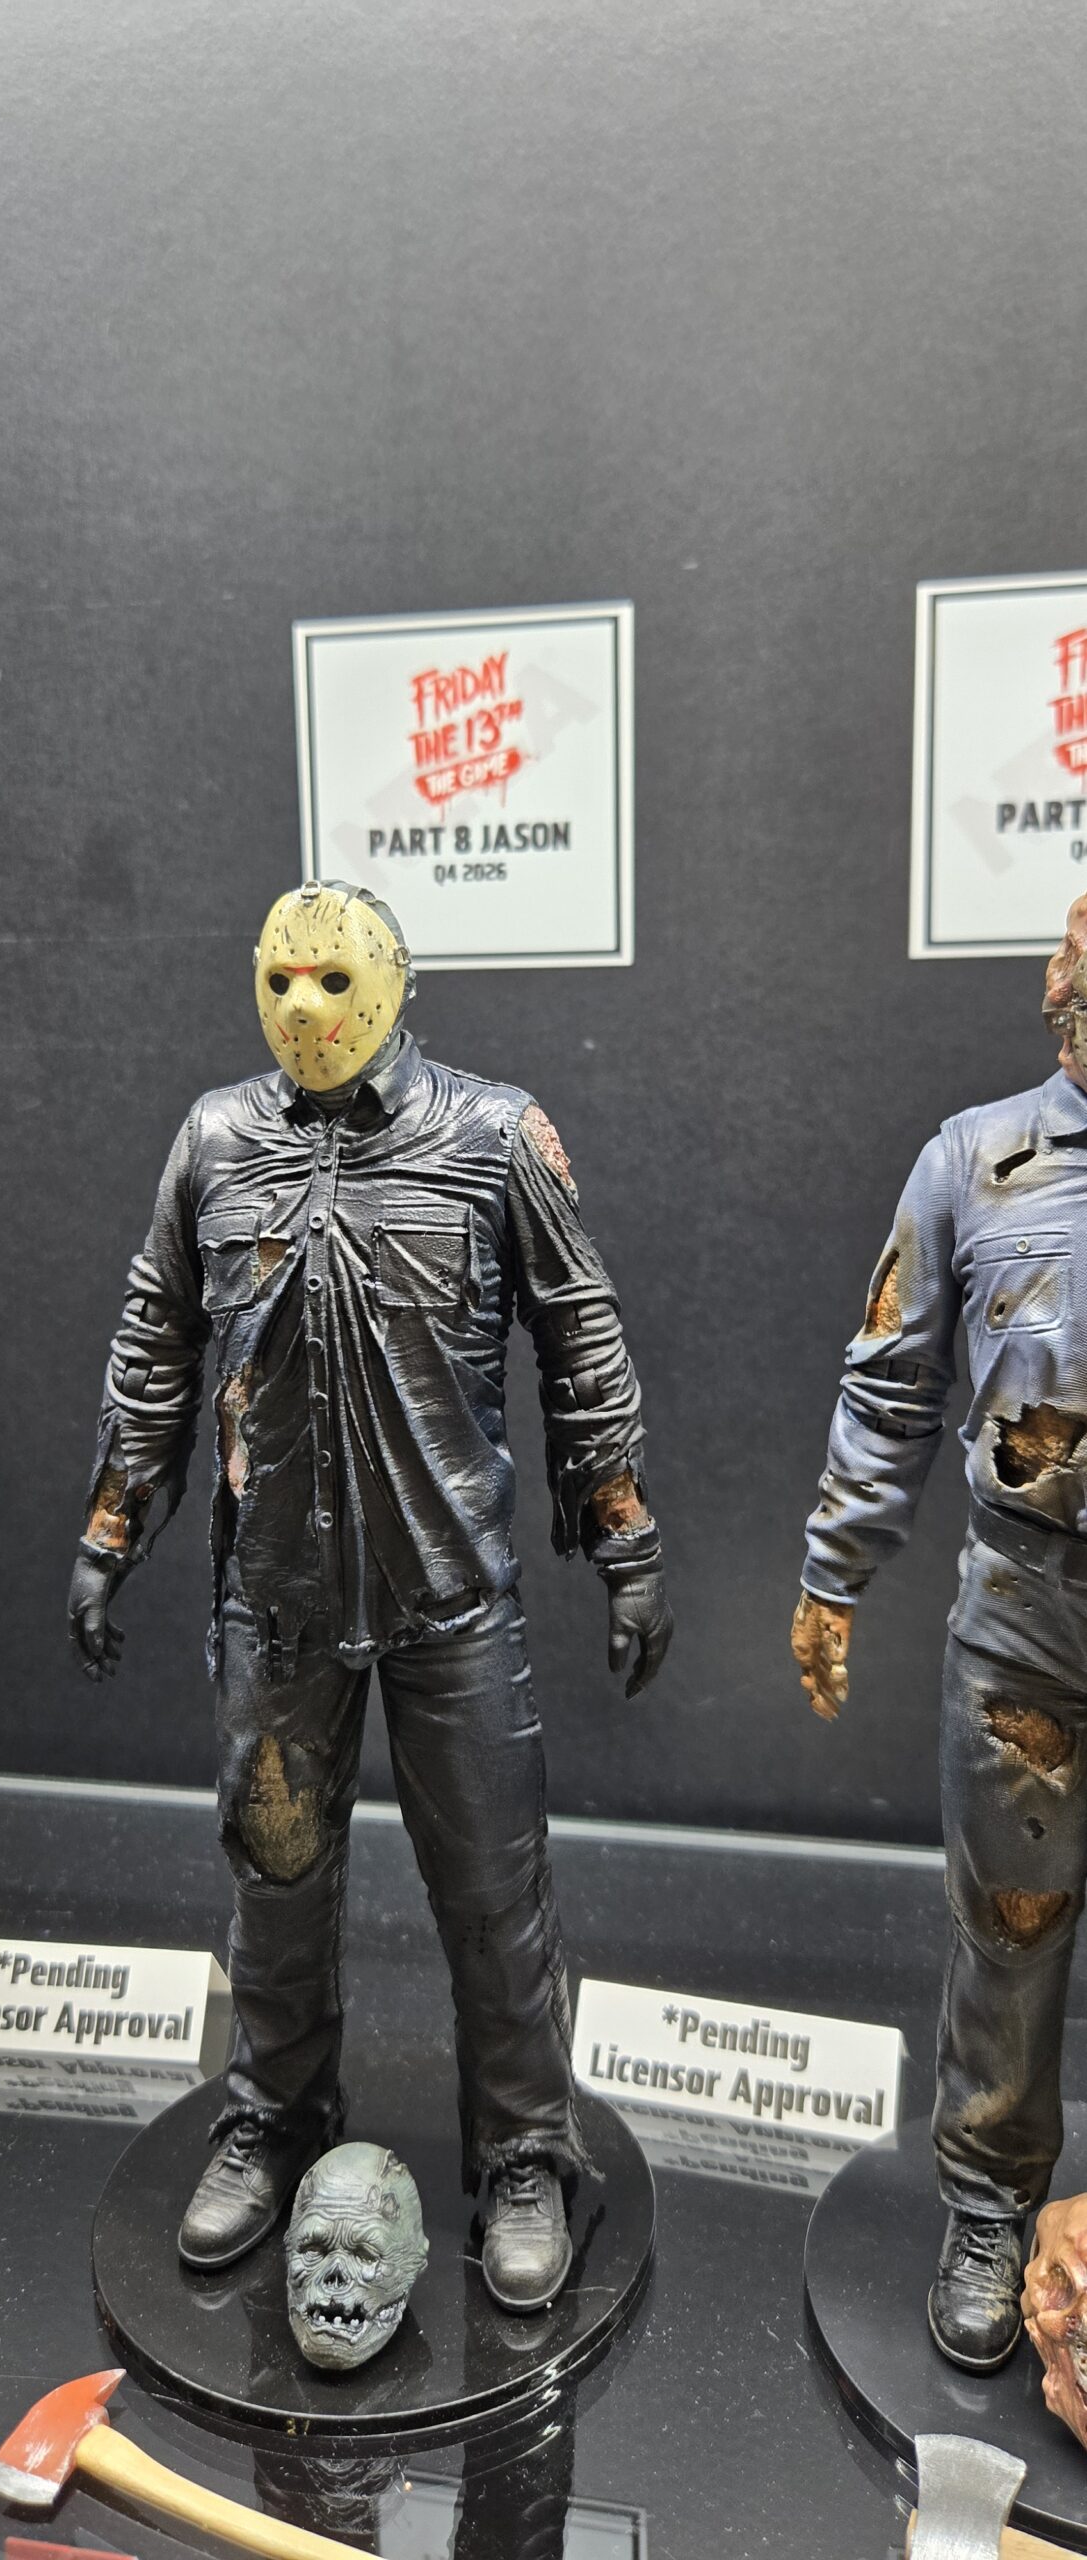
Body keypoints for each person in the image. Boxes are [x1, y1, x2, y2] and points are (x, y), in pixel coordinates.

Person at [69, 878, 672, 2312]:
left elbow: (580, 1332)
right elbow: (156, 1334)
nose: (304, 1006)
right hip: (276, 1606)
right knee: (274, 1882)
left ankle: (524, 2150)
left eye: (334, 979)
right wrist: (112, 1523)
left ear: (397, 984)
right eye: (279, 978)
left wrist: (626, 1536)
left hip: (451, 1601)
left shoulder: (492, 1137)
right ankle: (275, 2118)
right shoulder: (215, 1142)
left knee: (494, 1892)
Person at [793, 893, 1087, 2371]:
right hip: (1030, 1609)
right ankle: (988, 2201)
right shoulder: (975, 1162)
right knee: (1008, 1920)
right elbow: (890, 1379)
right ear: (1056, 980)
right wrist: (833, 1573)